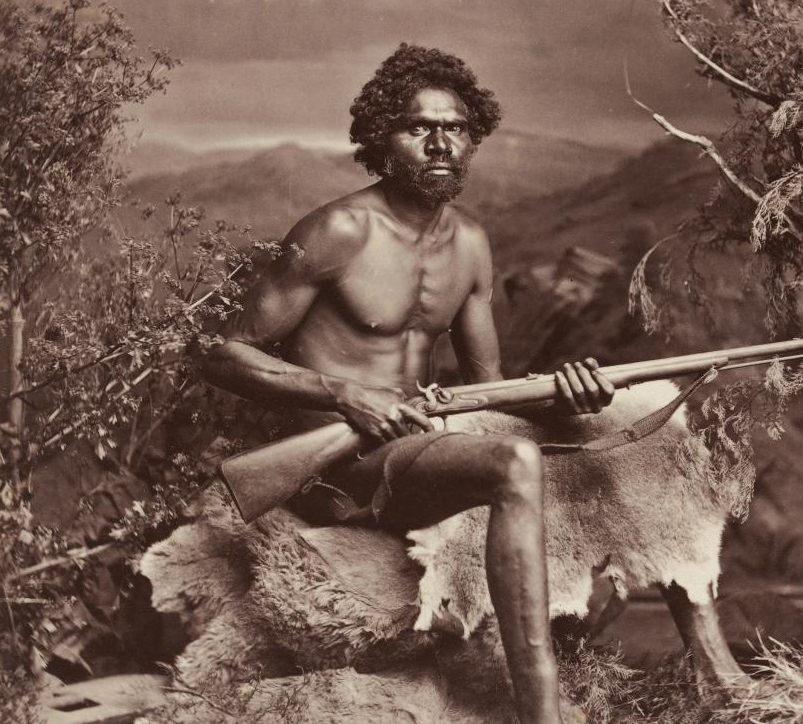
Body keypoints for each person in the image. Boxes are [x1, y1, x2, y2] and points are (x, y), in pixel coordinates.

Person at [200, 43, 614, 724]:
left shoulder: (471, 244)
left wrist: (566, 394)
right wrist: (342, 394)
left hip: (416, 451)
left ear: (472, 138)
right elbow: (221, 354)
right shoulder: (337, 230)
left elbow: (486, 391)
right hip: (337, 468)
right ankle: (542, 713)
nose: (440, 143)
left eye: (455, 128)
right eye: (418, 127)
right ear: (380, 138)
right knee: (514, 463)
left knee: (587, 443)